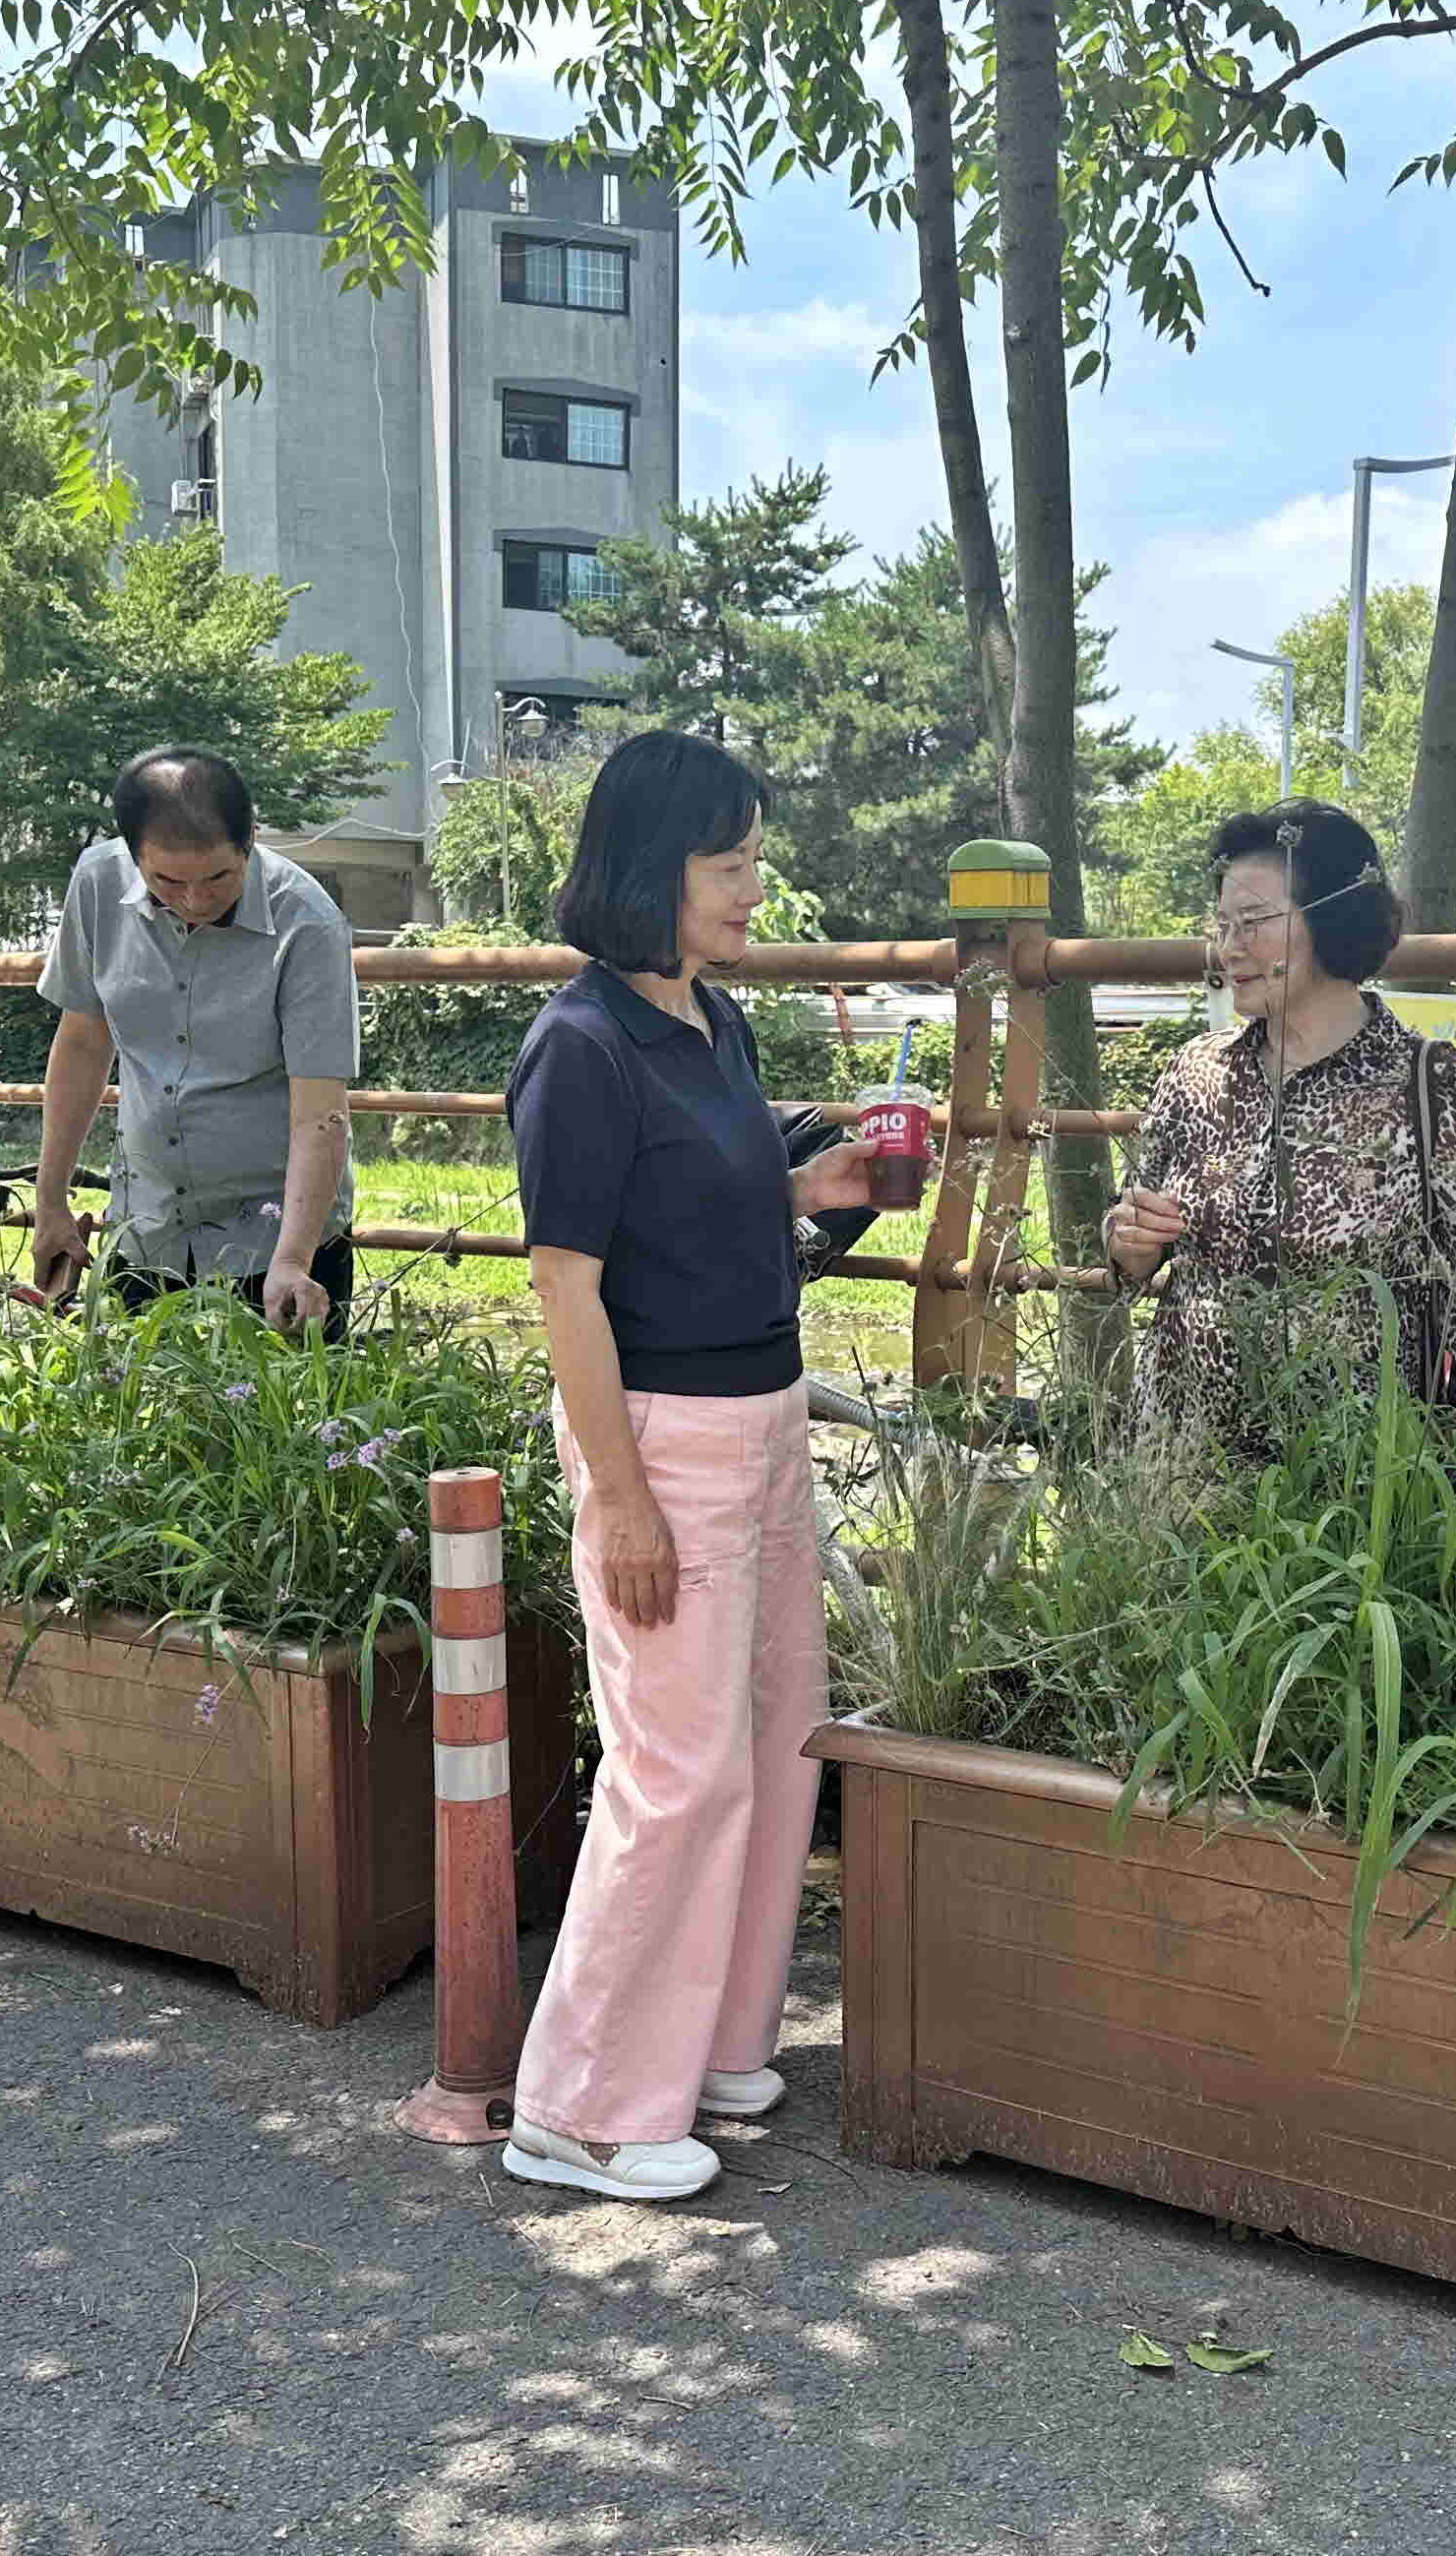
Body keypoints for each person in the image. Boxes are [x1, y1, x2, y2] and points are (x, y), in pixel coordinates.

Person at [502, 730, 880, 2203]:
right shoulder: (579, 1046)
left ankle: (711, 2046)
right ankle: (582, 2108)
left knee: (779, 1737)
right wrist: (619, 1497)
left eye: (752, 861)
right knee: (676, 1770)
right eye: (729, 864)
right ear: (649, 870)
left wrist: (807, 1185)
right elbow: (565, 1291)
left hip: (763, 1424)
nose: (752, 887)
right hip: (661, 1437)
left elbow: (710, 1199)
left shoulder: (707, 1022)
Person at [1106, 802, 1456, 1454]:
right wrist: (1129, 1241)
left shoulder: (1428, 1082)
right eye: (1222, 925)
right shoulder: (1196, 1070)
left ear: (1332, 920)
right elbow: (1133, 1236)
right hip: (1182, 1457)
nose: (1231, 947)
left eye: (1254, 922)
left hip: (1350, 1475)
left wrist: (1453, 1457)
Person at [30, 747, 359, 1330]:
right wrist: (50, 1201)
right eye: (167, 881)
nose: (195, 899)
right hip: (147, 1228)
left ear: (251, 839)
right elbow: (81, 1042)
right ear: (132, 857)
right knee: (142, 1413)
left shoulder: (308, 923)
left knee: (284, 1419)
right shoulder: (97, 884)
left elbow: (320, 1112)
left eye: (218, 877)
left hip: (276, 1237)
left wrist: (291, 1259)